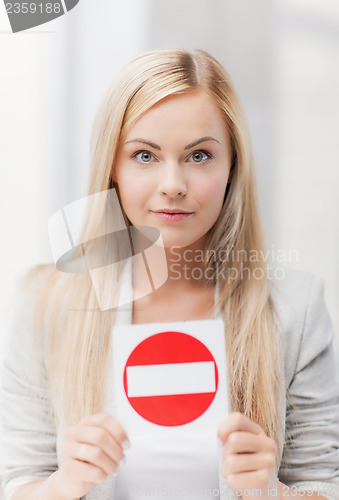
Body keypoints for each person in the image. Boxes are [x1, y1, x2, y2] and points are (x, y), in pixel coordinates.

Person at [1, 48, 339, 500]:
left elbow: (323, 483)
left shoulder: (295, 309)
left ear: (232, 167)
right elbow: (17, 481)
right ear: (113, 169)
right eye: (144, 155)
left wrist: (271, 492)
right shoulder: (45, 303)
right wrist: (64, 485)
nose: (173, 183)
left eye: (199, 156)